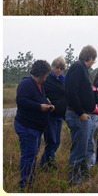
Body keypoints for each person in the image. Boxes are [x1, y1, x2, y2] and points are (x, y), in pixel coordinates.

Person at [15, 60, 54, 190]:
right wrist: (40, 107)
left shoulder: (40, 85)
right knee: (28, 155)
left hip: (36, 128)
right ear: (40, 73)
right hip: (26, 127)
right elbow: (21, 101)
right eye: (46, 75)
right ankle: (24, 185)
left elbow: (39, 98)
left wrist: (47, 104)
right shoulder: (26, 83)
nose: (47, 77)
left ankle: (30, 179)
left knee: (33, 154)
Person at [65, 45, 97, 185]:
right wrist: (81, 113)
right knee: (79, 149)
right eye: (94, 60)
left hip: (85, 115)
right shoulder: (77, 68)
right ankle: (73, 180)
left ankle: (83, 175)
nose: (93, 63)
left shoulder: (82, 69)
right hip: (77, 115)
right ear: (89, 57)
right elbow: (71, 92)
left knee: (86, 148)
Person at [39, 57, 66, 170]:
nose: (58, 70)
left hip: (59, 115)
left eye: (61, 68)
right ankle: (50, 165)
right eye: (56, 67)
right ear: (52, 67)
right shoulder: (47, 79)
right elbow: (41, 92)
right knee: (51, 140)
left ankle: (43, 164)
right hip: (50, 114)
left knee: (57, 142)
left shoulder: (63, 79)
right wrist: (46, 99)